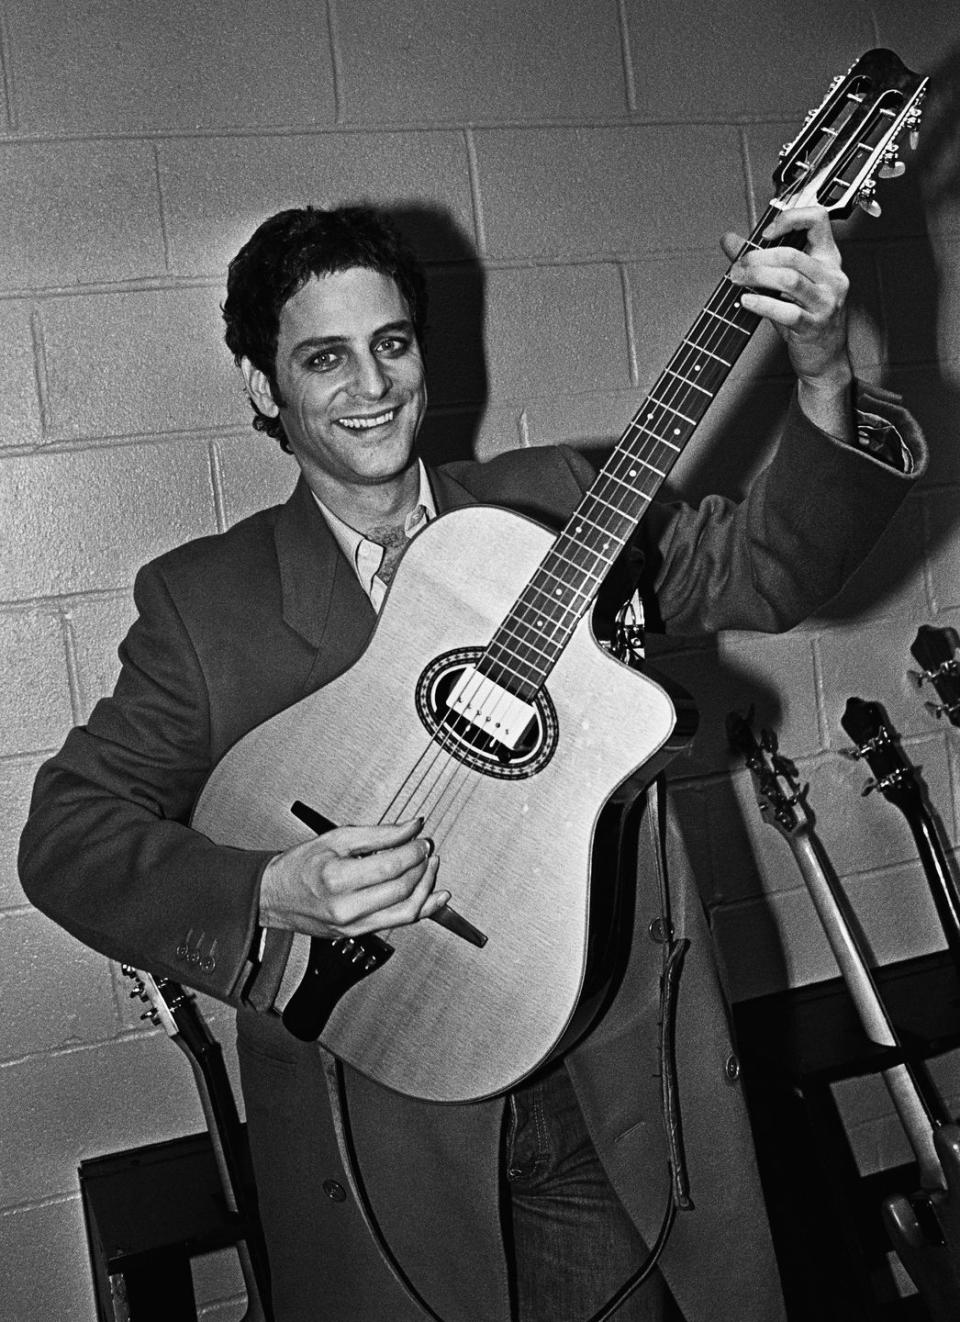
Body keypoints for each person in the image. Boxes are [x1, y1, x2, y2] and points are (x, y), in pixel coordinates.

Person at [19, 203, 925, 1322]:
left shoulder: (556, 504)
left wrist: (825, 369)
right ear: (262, 384)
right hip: (384, 1113)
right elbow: (64, 835)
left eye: (391, 343)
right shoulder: (207, 603)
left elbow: (771, 568)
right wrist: (268, 887)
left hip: (602, 1080)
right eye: (323, 356)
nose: (371, 384)